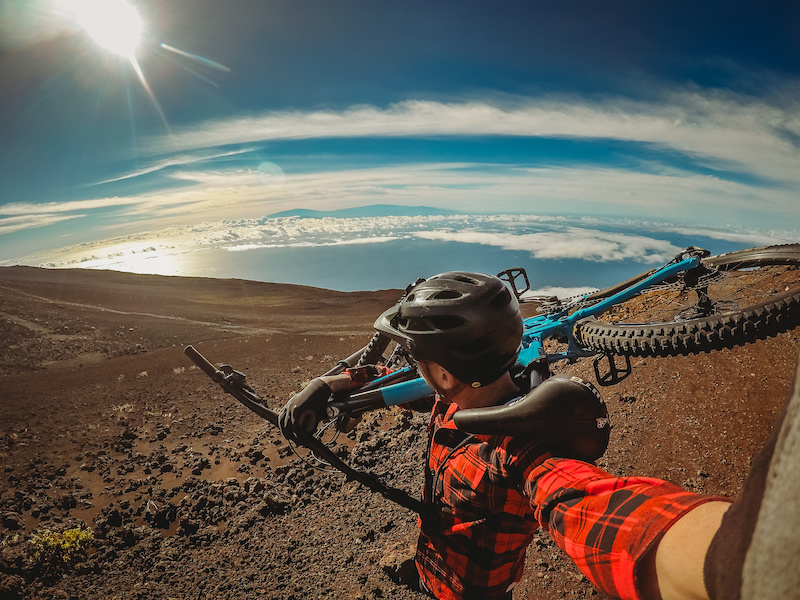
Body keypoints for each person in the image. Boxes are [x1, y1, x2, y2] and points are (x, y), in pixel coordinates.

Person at [279, 271, 799, 600]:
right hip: (439, 554)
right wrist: (328, 384)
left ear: (442, 372)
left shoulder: (520, 449)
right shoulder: (455, 396)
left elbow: (599, 509)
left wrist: (737, 557)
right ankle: (424, 571)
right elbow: (395, 387)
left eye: (415, 359)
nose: (409, 369)